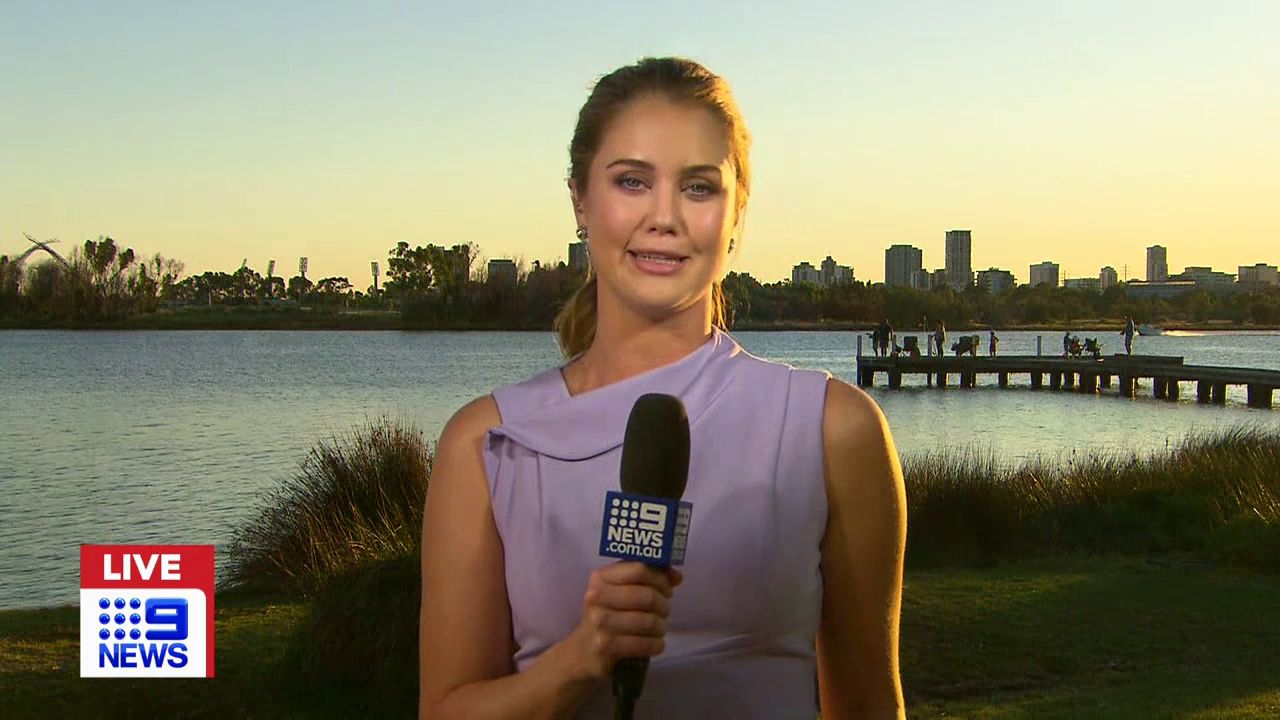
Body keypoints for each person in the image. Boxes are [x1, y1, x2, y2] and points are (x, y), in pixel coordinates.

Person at [418, 57, 907, 719]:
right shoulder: (487, 445)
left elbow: (869, 706)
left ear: (736, 215)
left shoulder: (832, 430)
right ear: (580, 201)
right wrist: (576, 662)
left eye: (698, 188)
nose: (664, 217)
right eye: (632, 181)